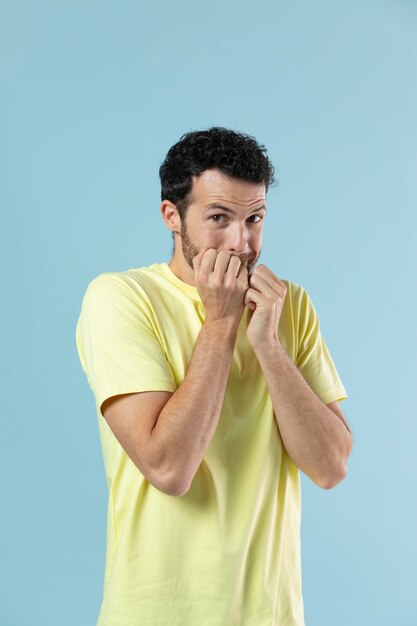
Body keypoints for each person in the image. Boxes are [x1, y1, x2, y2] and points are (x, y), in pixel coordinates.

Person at [75, 126, 353, 626]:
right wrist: (223, 322)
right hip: (156, 614)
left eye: (255, 219)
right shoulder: (119, 299)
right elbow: (168, 469)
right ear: (171, 216)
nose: (241, 242)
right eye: (219, 218)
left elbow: (331, 467)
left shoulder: (289, 307)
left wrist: (267, 345)